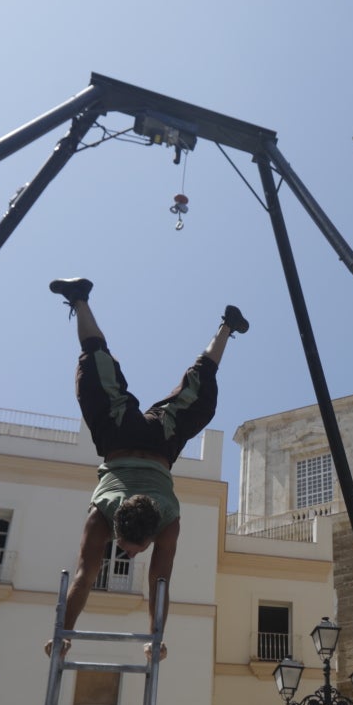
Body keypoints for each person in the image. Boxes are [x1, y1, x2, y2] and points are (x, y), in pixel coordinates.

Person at [49, 277, 245, 646]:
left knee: (196, 388)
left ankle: (228, 326)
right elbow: (151, 583)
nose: (126, 552)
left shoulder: (150, 517)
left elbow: (85, 578)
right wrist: (153, 639)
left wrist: (66, 633)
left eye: (123, 547)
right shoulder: (141, 517)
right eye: (128, 547)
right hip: (124, 438)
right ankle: (79, 298)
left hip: (158, 440)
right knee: (96, 366)